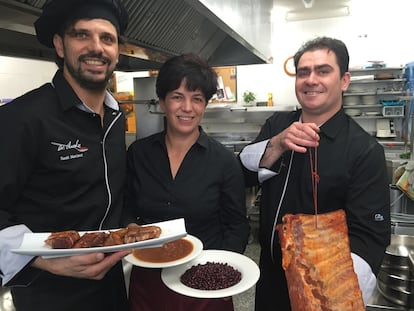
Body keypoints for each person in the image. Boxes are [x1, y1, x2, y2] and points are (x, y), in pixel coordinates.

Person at [239, 37, 390, 310]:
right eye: (303, 72)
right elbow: (245, 175)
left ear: (344, 80)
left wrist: (333, 293)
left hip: (323, 291)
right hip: (271, 279)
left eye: (323, 71)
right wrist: (277, 144)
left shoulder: (363, 150)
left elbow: (369, 236)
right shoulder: (278, 124)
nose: (311, 80)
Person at [0, 0, 131, 310]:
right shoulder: (22, 118)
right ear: (60, 45)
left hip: (111, 284)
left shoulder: (116, 118)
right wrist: (42, 260)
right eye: (81, 35)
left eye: (107, 38)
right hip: (50, 293)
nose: (96, 47)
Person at [125, 53, 250, 311]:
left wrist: (222, 277)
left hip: (203, 282)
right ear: (162, 101)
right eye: (177, 97)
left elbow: (236, 225)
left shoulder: (224, 161)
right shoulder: (139, 154)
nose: (187, 108)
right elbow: (125, 206)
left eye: (197, 99)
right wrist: (130, 228)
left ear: (205, 104)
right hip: (148, 280)